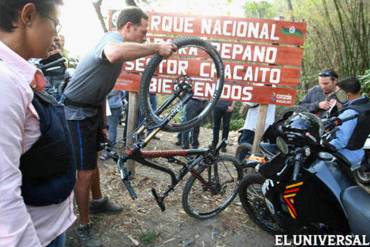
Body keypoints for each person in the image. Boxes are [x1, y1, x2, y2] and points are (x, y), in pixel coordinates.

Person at [62, 7, 176, 247]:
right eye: (143, 31)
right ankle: (83, 225)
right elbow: (113, 53)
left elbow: (101, 86)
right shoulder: (112, 40)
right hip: (76, 113)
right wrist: (155, 47)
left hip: (92, 109)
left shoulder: (119, 45)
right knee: (83, 173)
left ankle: (98, 201)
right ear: (128, 27)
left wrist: (103, 121)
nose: (145, 36)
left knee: (92, 162)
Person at [0, 1, 76, 247]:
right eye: (55, 22)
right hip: (35, 236)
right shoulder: (4, 83)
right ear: (28, 15)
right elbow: (3, 194)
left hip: (47, 227)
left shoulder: (19, 73)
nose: (56, 33)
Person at [328, 77, 370, 167]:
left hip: (346, 156)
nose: (337, 95)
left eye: (339, 93)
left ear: (348, 94)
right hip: (359, 152)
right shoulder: (366, 105)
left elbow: (340, 142)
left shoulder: (350, 113)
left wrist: (322, 146)